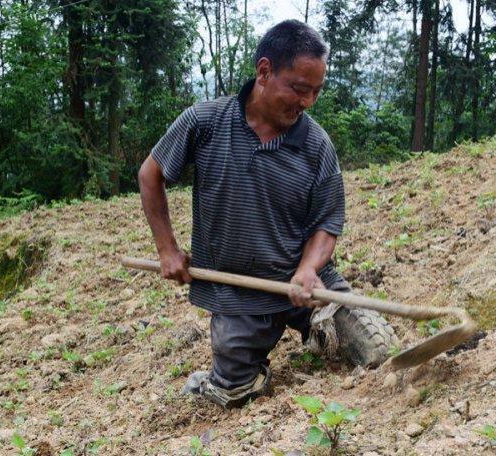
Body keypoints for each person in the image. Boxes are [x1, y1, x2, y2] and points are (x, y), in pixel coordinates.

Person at [138, 20, 395, 408]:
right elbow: (150, 174)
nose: (307, 101)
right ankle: (234, 373)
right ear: (264, 71)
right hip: (237, 294)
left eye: (316, 92)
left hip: (305, 285)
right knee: (233, 391)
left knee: (378, 348)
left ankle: (318, 333)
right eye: (298, 88)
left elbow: (327, 222)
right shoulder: (205, 122)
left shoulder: (316, 145)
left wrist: (309, 269)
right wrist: (167, 250)